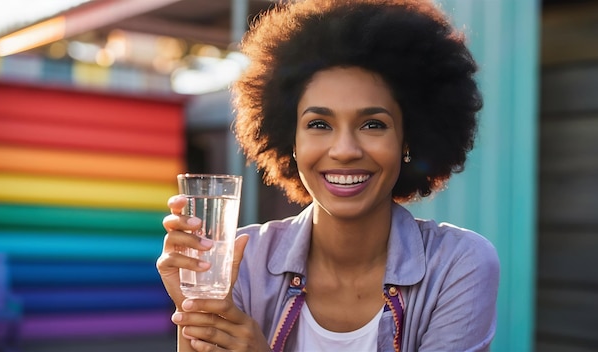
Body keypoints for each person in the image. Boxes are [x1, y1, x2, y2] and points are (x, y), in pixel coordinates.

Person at [157, 0, 500, 351]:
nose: (344, 150)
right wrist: (195, 309)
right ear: (290, 140)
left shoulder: (457, 265)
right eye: (319, 124)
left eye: (373, 124)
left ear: (407, 140)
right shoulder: (240, 263)